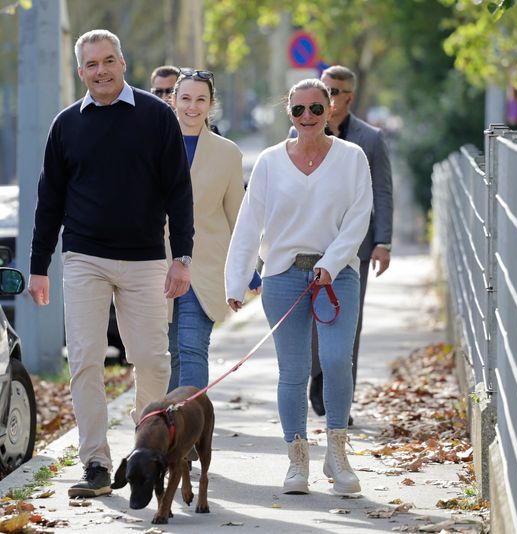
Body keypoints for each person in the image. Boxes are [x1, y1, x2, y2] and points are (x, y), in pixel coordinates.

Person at [28, 29, 194, 499]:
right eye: (90, 65)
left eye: (107, 61)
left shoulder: (157, 118)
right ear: (80, 72)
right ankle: (96, 463)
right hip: (84, 258)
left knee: (152, 362)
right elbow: (49, 200)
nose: (99, 71)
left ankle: (144, 453)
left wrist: (180, 257)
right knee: (84, 359)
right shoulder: (65, 125)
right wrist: (39, 265)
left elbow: (179, 192)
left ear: (123, 63)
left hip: (145, 260)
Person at [225, 79, 373, 496]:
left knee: (336, 358)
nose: (307, 117)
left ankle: (338, 455)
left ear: (330, 111)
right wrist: (236, 280)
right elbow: (249, 224)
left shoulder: (352, 158)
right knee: (292, 371)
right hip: (283, 276)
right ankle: (297, 461)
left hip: (337, 274)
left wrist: (330, 263)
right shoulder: (270, 162)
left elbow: (359, 217)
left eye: (315, 109)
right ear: (288, 114)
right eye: (298, 110)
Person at [306, 65, 393, 422]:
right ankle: (318, 383)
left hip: (355, 248)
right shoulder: (306, 128)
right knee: (312, 320)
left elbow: (383, 192)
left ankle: (342, 398)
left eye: (336, 92)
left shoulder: (370, 139)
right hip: (311, 244)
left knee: (348, 323)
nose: (329, 98)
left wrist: (383, 241)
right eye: (325, 90)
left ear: (349, 96)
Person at [166, 68, 258, 393]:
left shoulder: (228, 153)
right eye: (186, 98)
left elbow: (238, 214)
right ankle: (160, 429)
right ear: (173, 100)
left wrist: (249, 270)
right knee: (164, 355)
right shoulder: (150, 145)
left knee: (192, 349)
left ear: (211, 104)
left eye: (201, 99)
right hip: (154, 265)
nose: (193, 106)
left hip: (205, 267)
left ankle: (187, 434)